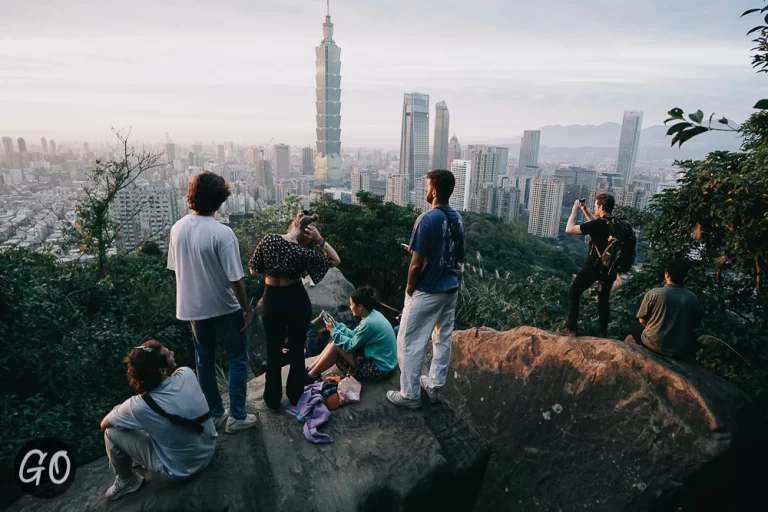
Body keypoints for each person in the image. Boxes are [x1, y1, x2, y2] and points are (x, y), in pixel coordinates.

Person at [167, 171, 255, 433]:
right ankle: (237, 416)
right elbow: (236, 279)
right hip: (225, 307)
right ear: (220, 201)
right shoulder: (222, 233)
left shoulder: (177, 228)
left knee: (203, 360)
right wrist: (246, 309)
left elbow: (176, 269)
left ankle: (216, 412)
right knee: (238, 359)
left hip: (192, 307)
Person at [386, 169, 465, 409]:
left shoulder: (426, 219)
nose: (425, 190)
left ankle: (409, 394)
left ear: (435, 190)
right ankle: (433, 387)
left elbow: (416, 264)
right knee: (442, 339)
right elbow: (457, 255)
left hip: (428, 290)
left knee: (409, 339)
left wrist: (410, 288)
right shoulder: (458, 219)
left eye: (427, 186)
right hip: (450, 289)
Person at [100, 341, 216, 501]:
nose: (173, 353)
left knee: (111, 432)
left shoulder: (138, 406)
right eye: (168, 354)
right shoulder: (187, 373)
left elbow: (104, 424)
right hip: (208, 449)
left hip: (182, 470)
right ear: (162, 370)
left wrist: (119, 410)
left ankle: (127, 481)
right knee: (154, 420)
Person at [249, 211, 341, 411]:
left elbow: (253, 270)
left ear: (294, 224)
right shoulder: (304, 253)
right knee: (297, 350)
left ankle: (272, 399)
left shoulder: (269, 240)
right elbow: (335, 261)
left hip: (271, 300)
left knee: (273, 350)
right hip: (296, 300)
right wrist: (320, 240)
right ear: (308, 233)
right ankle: (295, 394)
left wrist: (273, 268)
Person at [306, 286, 397, 381]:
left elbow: (350, 346)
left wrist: (333, 331)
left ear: (360, 307)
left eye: (351, 304)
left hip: (380, 370)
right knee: (336, 340)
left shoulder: (369, 323)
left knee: (336, 344)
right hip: (385, 363)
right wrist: (335, 325)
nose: (350, 307)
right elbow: (354, 334)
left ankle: (310, 376)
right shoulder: (373, 315)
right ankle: (310, 370)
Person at [563, 193, 617, 337]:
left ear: (600, 206)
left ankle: (571, 328)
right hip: (611, 266)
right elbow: (596, 227)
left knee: (574, 291)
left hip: (595, 266)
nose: (594, 207)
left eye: (595, 205)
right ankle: (603, 332)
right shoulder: (613, 222)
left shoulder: (600, 223)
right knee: (603, 298)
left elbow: (569, 229)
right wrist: (585, 210)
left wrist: (575, 210)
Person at [629, 258, 702, 359]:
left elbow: (642, 321)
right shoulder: (693, 298)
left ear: (667, 274)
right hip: (680, 350)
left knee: (634, 324)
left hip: (654, 345)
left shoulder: (654, 293)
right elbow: (695, 326)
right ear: (685, 277)